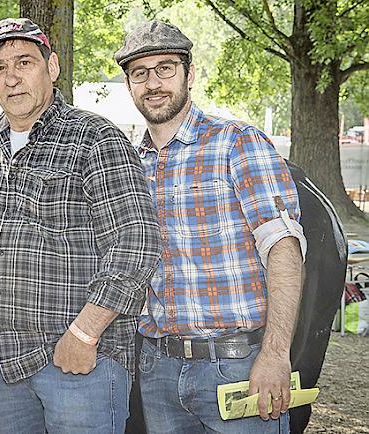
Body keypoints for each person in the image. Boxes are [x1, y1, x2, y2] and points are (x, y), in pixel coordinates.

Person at [0, 18, 161, 434]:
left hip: (82, 363)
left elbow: (137, 243)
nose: (11, 78)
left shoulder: (95, 138)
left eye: (24, 62)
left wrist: (84, 335)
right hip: (8, 365)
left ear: (52, 67)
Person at [115, 21, 307, 433]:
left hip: (236, 365)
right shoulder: (131, 164)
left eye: (165, 68)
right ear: (129, 85)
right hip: (158, 369)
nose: (153, 83)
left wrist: (275, 353)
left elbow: (284, 249)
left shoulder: (237, 142)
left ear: (190, 73)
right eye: (140, 73)